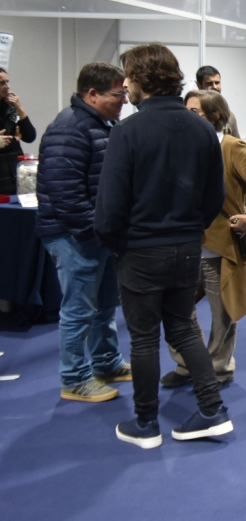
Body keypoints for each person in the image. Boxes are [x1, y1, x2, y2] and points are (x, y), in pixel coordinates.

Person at [94, 43, 231, 449]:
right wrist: (190, 229)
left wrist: (113, 242)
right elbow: (214, 196)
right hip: (187, 246)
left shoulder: (127, 132)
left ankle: (146, 422)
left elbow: (110, 205)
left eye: (128, 78)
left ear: (141, 79)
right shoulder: (202, 130)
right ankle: (212, 410)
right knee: (184, 328)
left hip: (139, 250)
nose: (125, 86)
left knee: (143, 339)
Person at [161, 90, 246, 389]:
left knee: (223, 314)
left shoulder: (232, 147)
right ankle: (188, 363)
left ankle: (218, 368)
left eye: (195, 112)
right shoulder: (179, 146)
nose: (187, 117)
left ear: (216, 116)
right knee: (175, 309)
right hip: (182, 245)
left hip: (219, 248)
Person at [36, 62, 132, 403]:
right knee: (79, 310)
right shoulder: (69, 128)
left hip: (97, 234)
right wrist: (95, 231)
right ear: (93, 94)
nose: (124, 100)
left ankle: (106, 362)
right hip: (75, 236)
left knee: (105, 305)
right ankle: (74, 377)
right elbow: (65, 194)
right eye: (118, 94)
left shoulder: (101, 124)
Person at [0, 66, 36, 194]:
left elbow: (30, 136)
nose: (7, 86)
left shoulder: (10, 107)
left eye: (7, 82)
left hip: (14, 173)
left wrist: (20, 108)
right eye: (2, 83)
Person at [195, 65, 240, 138]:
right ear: (198, 85)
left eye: (217, 83)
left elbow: (237, 143)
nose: (215, 87)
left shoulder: (229, 116)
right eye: (209, 83)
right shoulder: (193, 115)